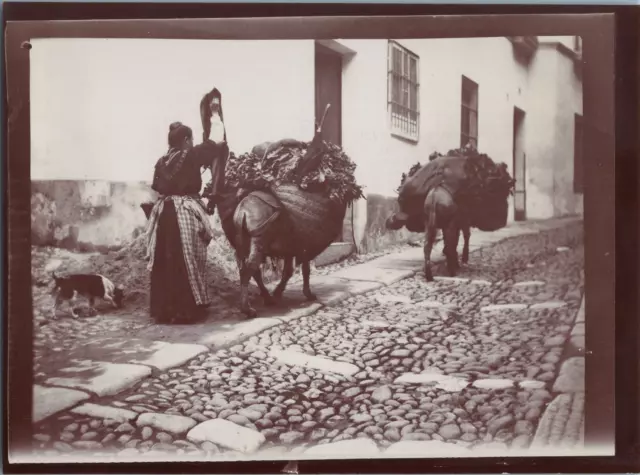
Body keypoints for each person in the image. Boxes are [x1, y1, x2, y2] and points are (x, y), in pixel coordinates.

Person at [145, 122, 227, 324]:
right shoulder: (189, 154)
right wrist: (216, 118)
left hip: (165, 214)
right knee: (187, 258)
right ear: (185, 140)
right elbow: (214, 144)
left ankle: (164, 311)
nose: (192, 143)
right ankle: (185, 311)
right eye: (190, 139)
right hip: (183, 214)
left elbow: (157, 185)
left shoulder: (161, 161)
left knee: (165, 259)